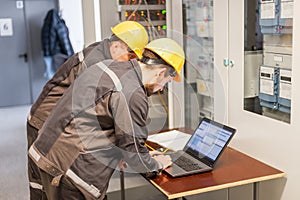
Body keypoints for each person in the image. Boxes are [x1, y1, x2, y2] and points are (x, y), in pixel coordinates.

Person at [28, 38, 185, 200]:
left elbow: (93, 118)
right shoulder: (133, 93)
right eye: (167, 82)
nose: (162, 88)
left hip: (43, 151)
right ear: (160, 73)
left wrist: (130, 154)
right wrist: (158, 164)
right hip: (68, 171)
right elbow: (134, 153)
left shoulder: (107, 66)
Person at [41, 9, 74, 79]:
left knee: (53, 76)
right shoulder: (59, 25)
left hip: (48, 55)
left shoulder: (45, 26)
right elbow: (65, 41)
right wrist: (71, 56)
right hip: (59, 55)